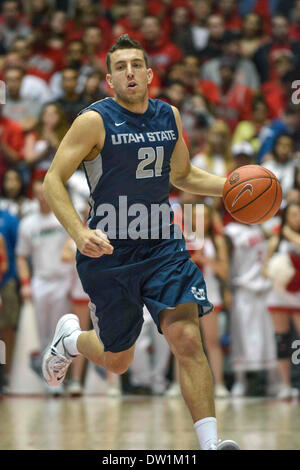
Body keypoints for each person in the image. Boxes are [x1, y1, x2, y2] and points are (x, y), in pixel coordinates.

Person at [42, 35, 239, 450]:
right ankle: (71, 340)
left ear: (149, 74)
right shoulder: (93, 121)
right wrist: (79, 232)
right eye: (120, 67)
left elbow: (182, 175)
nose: (129, 71)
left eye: (136, 64)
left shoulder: (169, 115)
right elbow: (52, 181)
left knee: (186, 336)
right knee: (118, 360)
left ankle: (210, 443)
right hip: (111, 252)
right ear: (110, 81)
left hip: (162, 245)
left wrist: (232, 188)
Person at [264, 202, 300, 399]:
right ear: (286, 217)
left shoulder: (289, 237)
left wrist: (286, 232)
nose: (297, 218)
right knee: (282, 341)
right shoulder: (276, 241)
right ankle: (285, 384)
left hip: (298, 295)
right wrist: (278, 273)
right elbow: (265, 270)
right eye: (293, 214)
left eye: (299, 214)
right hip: (279, 296)